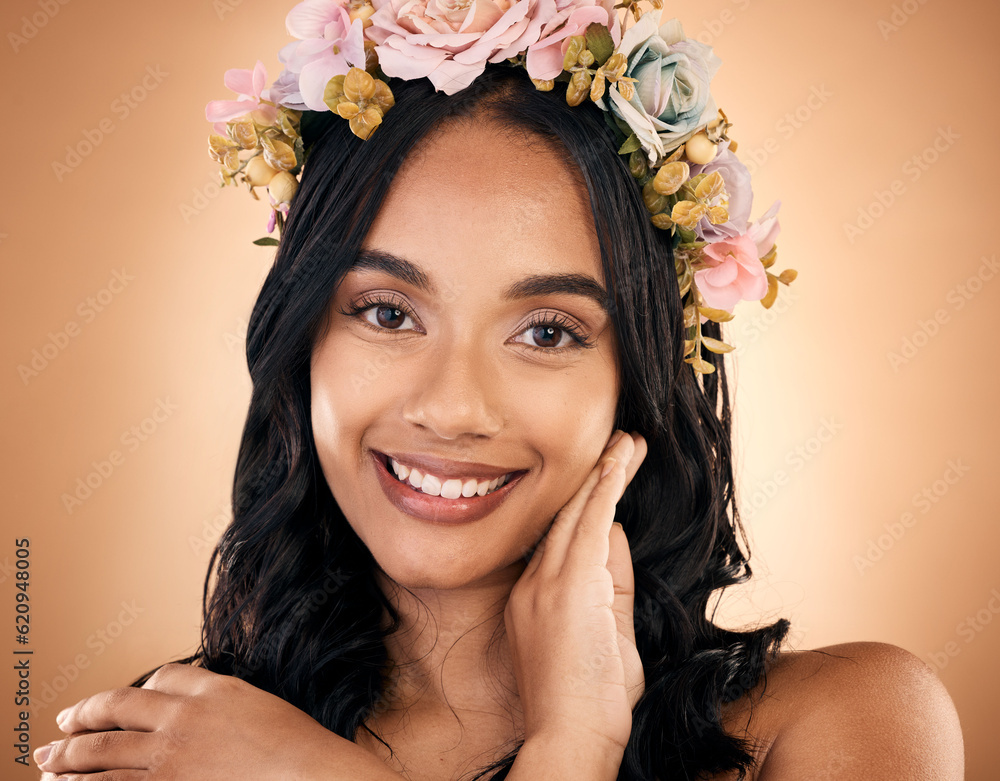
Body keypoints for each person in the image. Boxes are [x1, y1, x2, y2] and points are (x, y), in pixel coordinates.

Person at [35, 1, 964, 779]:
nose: (452, 408)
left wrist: (568, 743)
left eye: (547, 331)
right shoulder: (177, 746)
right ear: (304, 335)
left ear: (638, 376)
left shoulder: (843, 725)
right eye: (388, 312)